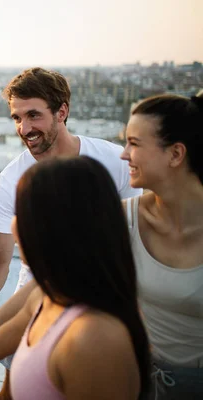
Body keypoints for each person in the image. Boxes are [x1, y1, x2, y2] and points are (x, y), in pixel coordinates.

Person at [0, 67, 142, 395]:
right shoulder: (9, 182)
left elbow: (134, 239)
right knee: (17, 385)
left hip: (98, 299)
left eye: (33, 115)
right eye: (16, 117)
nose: (24, 128)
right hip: (31, 299)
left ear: (62, 112)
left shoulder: (114, 162)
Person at [0, 156, 151, 400]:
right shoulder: (46, 293)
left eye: (23, 211)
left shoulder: (95, 339)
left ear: (55, 227)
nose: (15, 225)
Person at [121, 92, 203, 399]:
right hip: (143, 381)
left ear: (175, 154)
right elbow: (52, 284)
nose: (123, 154)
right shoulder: (124, 218)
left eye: (134, 143)